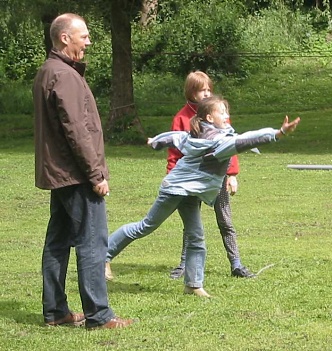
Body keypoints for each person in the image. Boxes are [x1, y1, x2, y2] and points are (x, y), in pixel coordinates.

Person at [105, 95, 300, 297]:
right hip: (175, 189)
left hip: (192, 192)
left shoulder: (199, 135)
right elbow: (245, 140)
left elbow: (175, 137)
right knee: (145, 226)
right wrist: (277, 133)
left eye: (227, 111)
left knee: (196, 236)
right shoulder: (217, 143)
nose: (226, 115)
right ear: (208, 117)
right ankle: (103, 256)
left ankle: (193, 285)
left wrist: (155, 141)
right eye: (221, 112)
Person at [33, 13, 134, 329]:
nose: (88, 41)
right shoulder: (64, 76)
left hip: (60, 174)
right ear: (65, 38)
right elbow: (77, 130)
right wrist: (96, 175)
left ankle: (56, 312)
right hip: (75, 174)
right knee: (92, 242)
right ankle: (99, 316)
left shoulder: (46, 72)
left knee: (58, 242)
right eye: (84, 36)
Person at [167, 71, 254, 279]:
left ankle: (236, 264)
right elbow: (174, 151)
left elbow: (231, 144)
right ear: (191, 92)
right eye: (200, 90)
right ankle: (183, 265)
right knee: (191, 223)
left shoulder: (218, 114)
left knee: (225, 220)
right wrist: (171, 176)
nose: (206, 94)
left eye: (208, 89)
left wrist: (232, 174)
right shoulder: (181, 118)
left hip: (218, 177)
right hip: (192, 178)